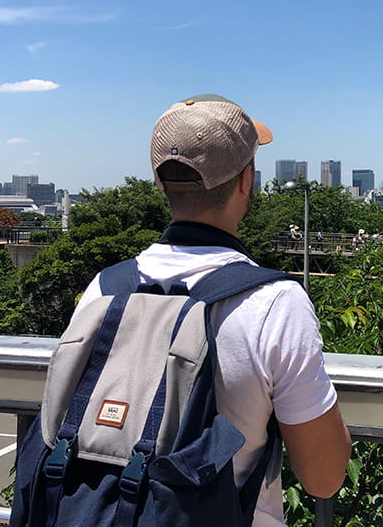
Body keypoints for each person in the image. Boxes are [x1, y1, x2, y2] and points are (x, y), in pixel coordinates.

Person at [74, 94, 351, 525]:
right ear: (246, 181)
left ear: (159, 182)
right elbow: (324, 478)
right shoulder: (275, 303)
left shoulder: (104, 289)